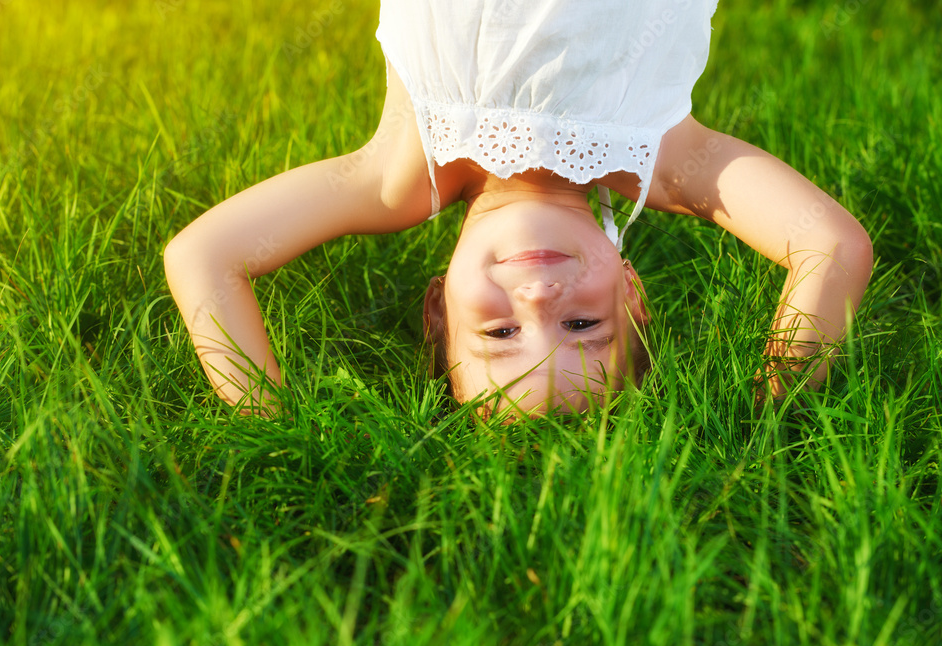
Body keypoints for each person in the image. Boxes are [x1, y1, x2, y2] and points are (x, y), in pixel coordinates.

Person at [164, 0, 873, 418]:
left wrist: (273, 422)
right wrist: (770, 410)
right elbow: (832, 247)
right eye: (583, 324)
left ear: (438, 308)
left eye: (500, 332)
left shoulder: (397, 175)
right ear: (632, 289)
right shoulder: (665, 159)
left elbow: (202, 256)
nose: (538, 296)